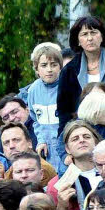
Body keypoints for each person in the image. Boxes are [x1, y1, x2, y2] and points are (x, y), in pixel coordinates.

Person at [58, 16, 105, 124]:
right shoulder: (69, 71)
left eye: (93, 32)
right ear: (78, 41)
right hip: (81, 128)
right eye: (84, 34)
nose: (90, 38)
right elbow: (64, 110)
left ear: (102, 36)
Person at [47, 120, 102, 210]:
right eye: (75, 139)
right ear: (67, 149)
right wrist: (62, 206)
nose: (81, 140)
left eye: (87, 137)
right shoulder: (56, 185)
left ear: (96, 143)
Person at [25, 42, 65, 172]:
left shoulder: (68, 86)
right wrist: (41, 140)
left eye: (54, 65)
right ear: (36, 69)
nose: (49, 69)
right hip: (47, 150)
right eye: (44, 65)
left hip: (66, 146)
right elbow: (36, 119)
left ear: (60, 67)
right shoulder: (33, 90)